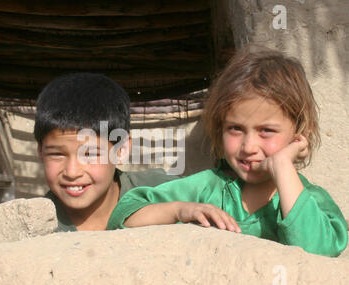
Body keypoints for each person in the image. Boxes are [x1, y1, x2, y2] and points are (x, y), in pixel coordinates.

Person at [107, 47, 348, 257]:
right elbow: (125, 216)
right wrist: (180, 209)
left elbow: (316, 253)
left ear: (298, 134)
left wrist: (283, 165)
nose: (249, 147)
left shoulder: (313, 201)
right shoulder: (206, 187)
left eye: (266, 130)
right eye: (235, 129)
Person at [34, 73, 179, 231]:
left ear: (121, 150)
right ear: (40, 152)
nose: (72, 172)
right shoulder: (35, 226)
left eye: (90, 154)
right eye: (57, 154)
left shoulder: (163, 191)